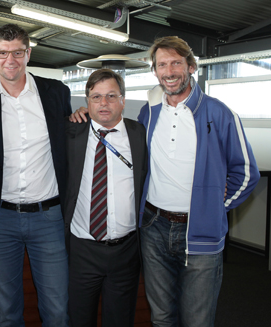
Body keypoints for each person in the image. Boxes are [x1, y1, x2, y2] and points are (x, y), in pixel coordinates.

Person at [72, 36, 260, 327]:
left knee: (197, 320)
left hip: (200, 233)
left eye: (176, 63)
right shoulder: (150, 114)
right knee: (161, 318)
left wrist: (214, 206)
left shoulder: (219, 113)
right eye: (162, 64)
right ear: (155, 71)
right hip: (153, 229)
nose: (169, 71)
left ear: (191, 66)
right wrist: (84, 113)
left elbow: (247, 173)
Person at [0, 23, 71, 326]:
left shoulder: (56, 93)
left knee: (58, 311)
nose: (10, 60)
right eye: (2, 53)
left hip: (49, 217)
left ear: (29, 53)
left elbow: (69, 144)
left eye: (18, 53)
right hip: (0, 221)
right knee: (8, 313)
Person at [64, 69, 147, 327]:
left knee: (120, 320)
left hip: (126, 251)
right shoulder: (70, 133)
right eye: (96, 96)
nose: (103, 103)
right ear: (87, 102)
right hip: (82, 250)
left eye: (111, 96)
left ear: (123, 99)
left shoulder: (140, 134)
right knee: (79, 319)